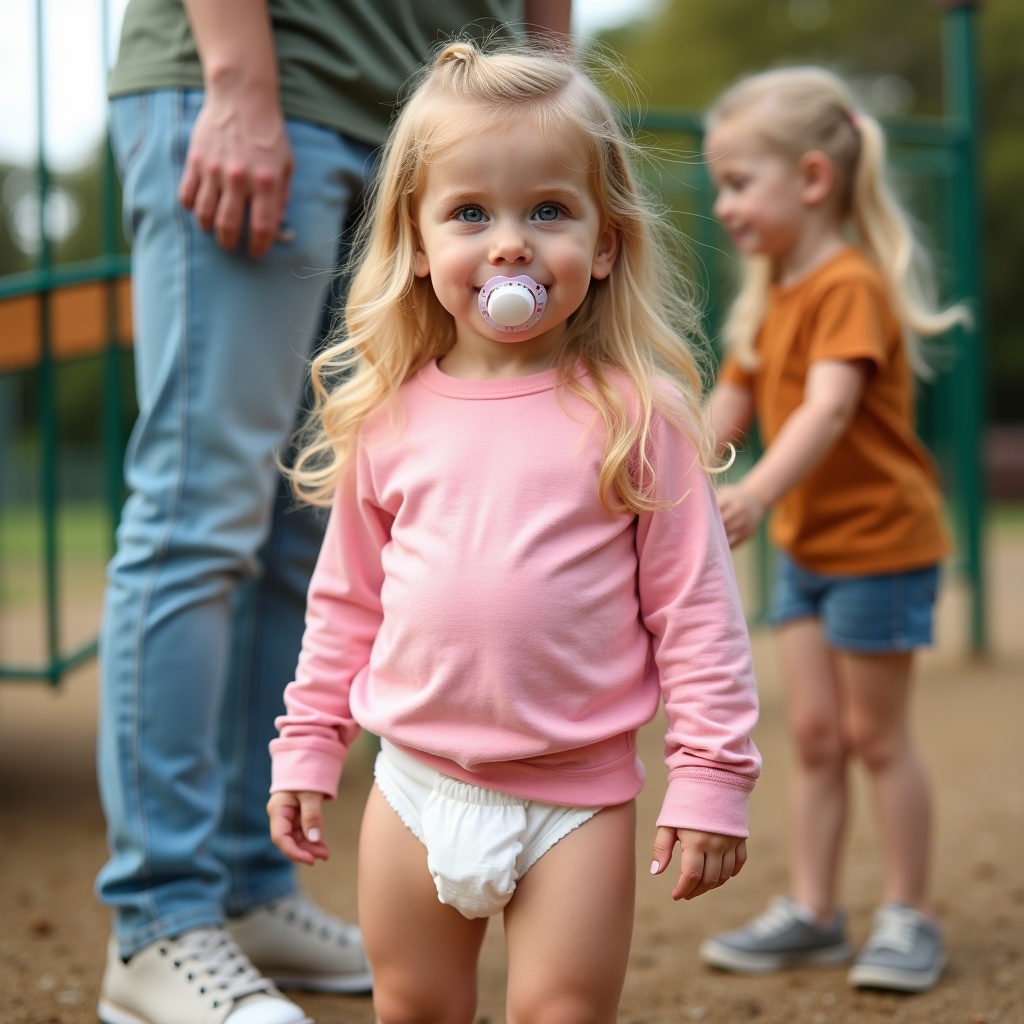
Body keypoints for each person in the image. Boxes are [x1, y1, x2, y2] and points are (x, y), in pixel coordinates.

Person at [265, 40, 762, 1024]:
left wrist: (709, 774)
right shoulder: (386, 416)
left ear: (606, 240)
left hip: (573, 804)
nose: (507, 244)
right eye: (468, 213)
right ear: (412, 240)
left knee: (563, 1011)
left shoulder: (636, 413)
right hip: (410, 787)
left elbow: (696, 611)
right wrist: (308, 744)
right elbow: (343, 604)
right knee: (411, 1006)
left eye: (547, 209)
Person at [95, 4, 571, 1024]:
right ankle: (157, 919)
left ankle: (249, 885)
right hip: (268, 84)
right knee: (201, 510)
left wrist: (551, 100)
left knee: (306, 523)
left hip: (422, 123)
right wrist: (235, 78)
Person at [696, 67, 971, 995]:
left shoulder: (847, 283)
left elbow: (828, 408)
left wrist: (755, 494)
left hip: (880, 546)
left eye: (738, 181)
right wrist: (668, 463)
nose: (724, 203)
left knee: (876, 737)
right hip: (812, 551)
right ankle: (814, 911)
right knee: (813, 734)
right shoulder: (774, 289)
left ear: (812, 178)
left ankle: (909, 913)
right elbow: (733, 396)